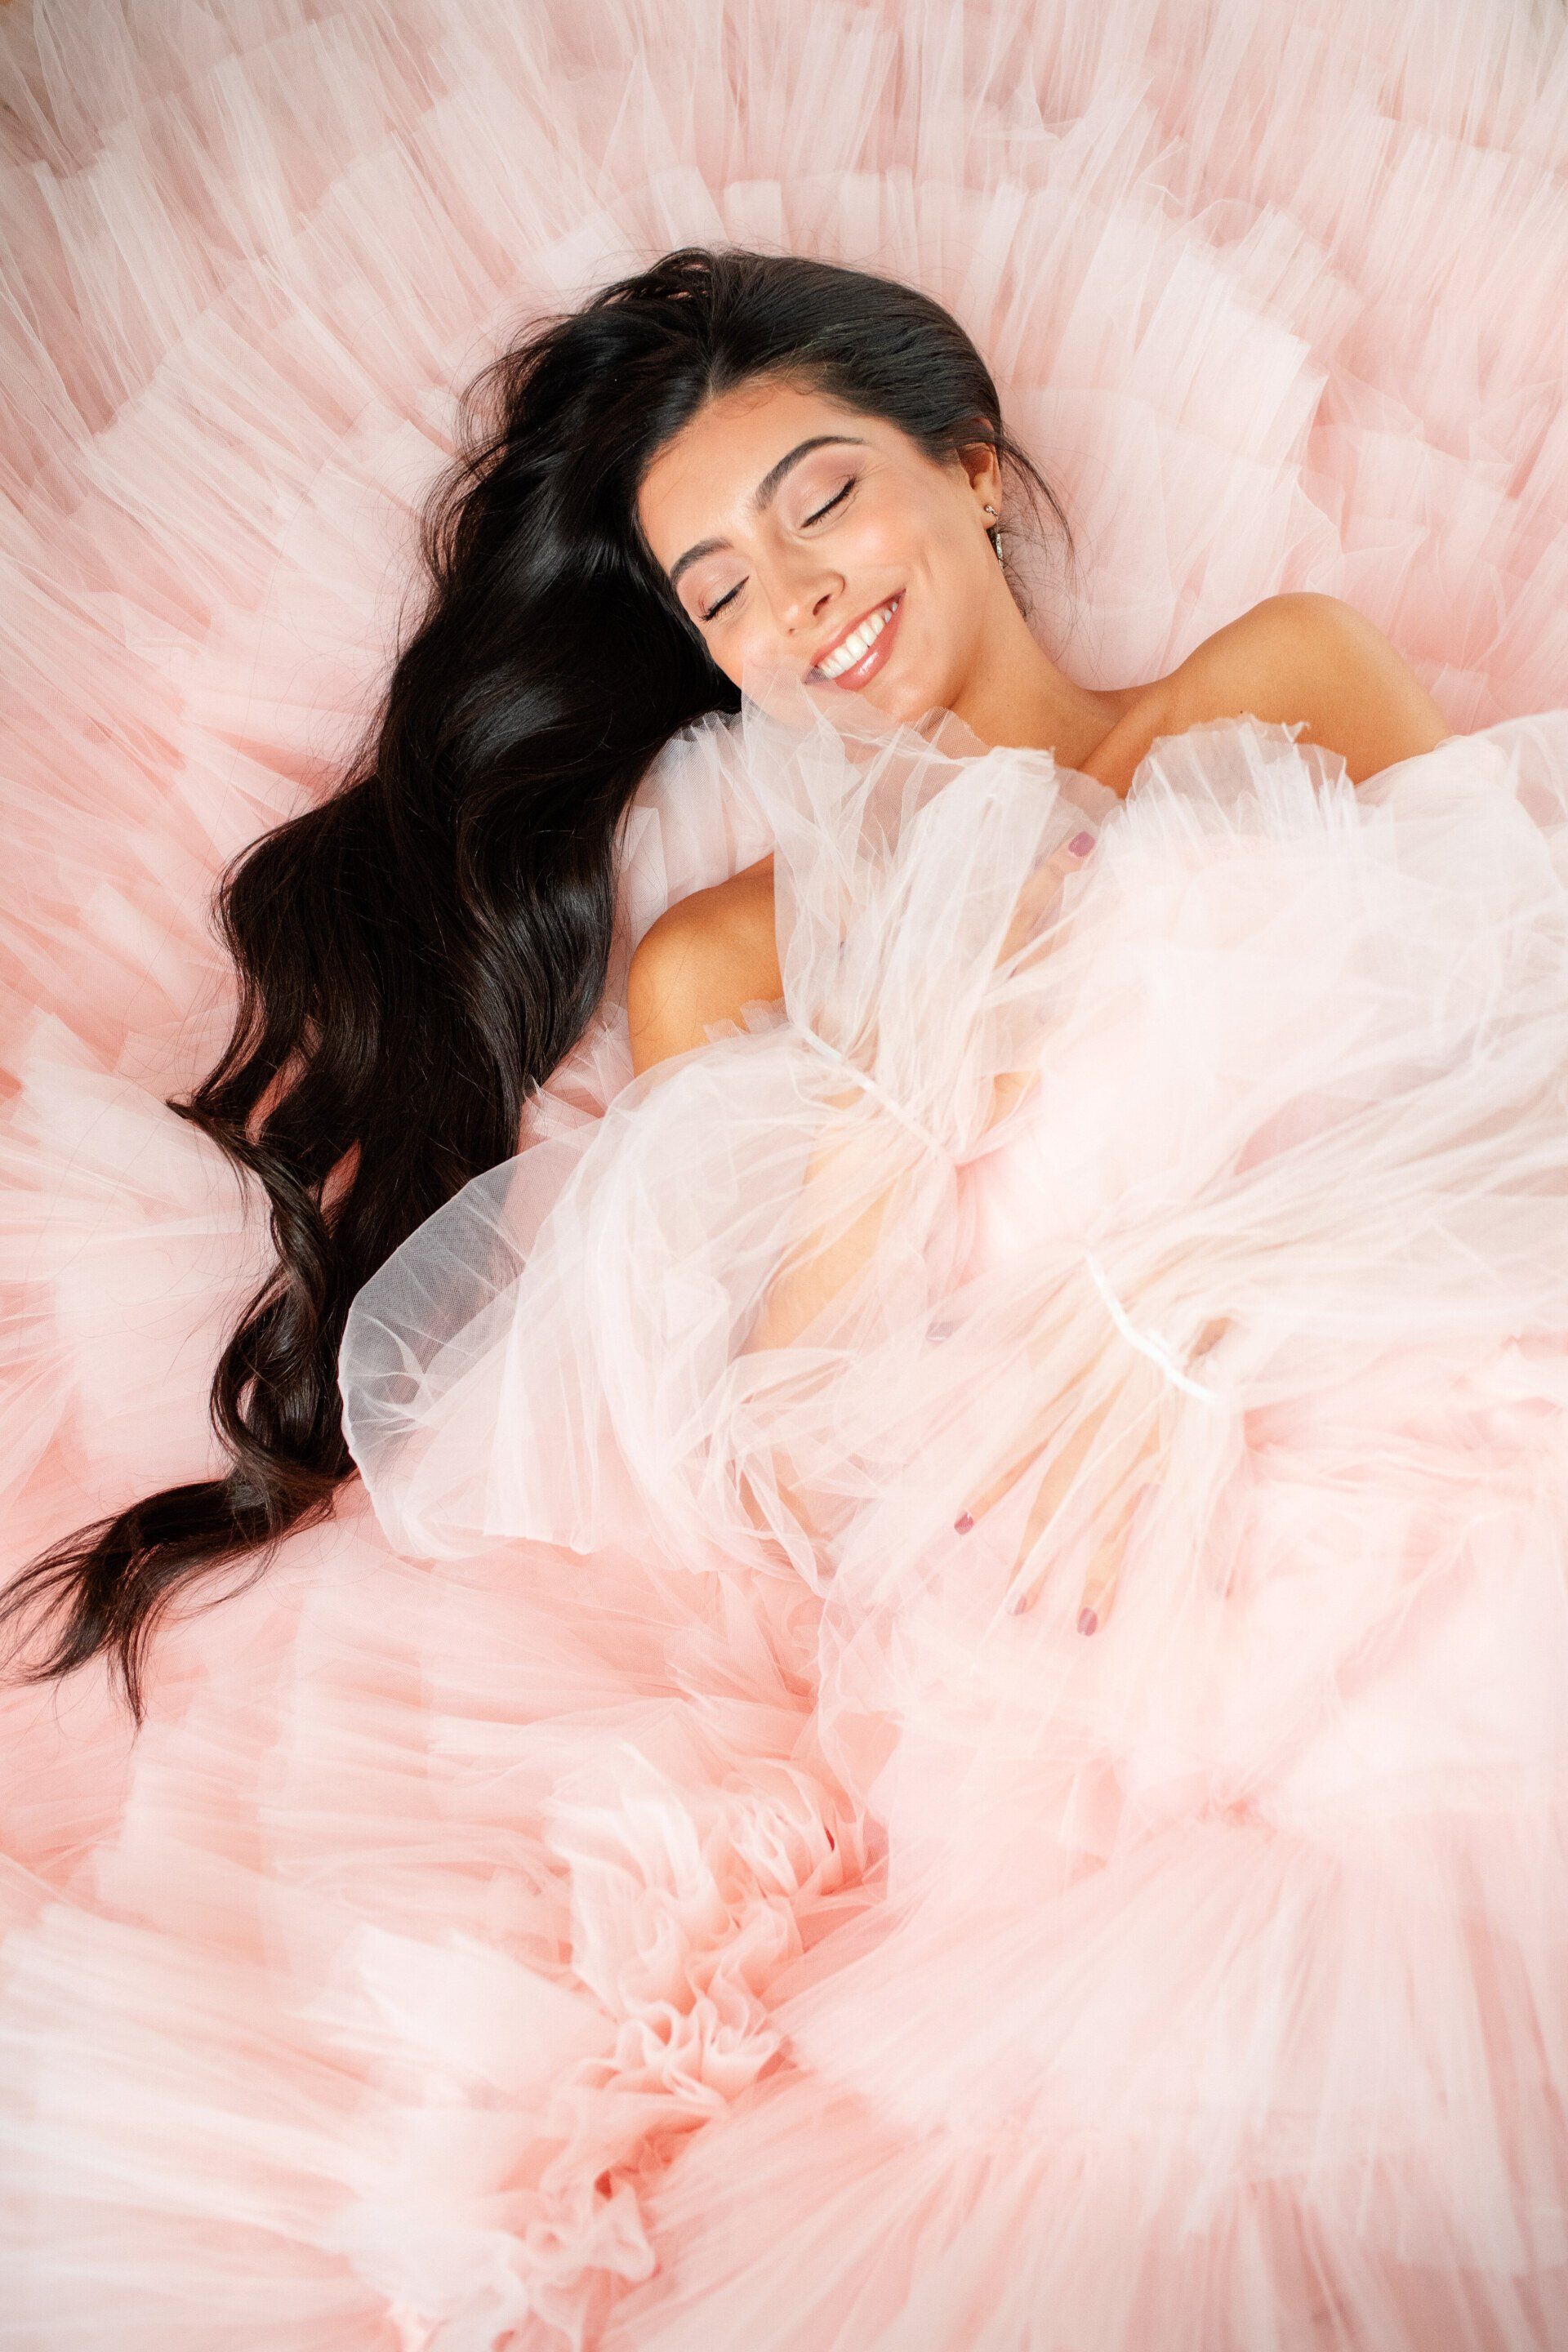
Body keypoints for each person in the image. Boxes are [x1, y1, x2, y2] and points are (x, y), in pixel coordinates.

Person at [8, 246, 1568, 2348]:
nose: (801, 598)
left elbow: (1535, 1060)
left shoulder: (1277, 678)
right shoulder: (729, 964)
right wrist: (897, 1094)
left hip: (1456, 1411)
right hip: (1106, 1653)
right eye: (721, 588)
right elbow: (793, 1468)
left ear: (972, 468)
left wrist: (1210, 1290)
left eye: (822, 496)